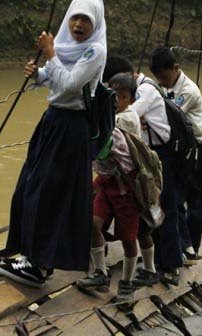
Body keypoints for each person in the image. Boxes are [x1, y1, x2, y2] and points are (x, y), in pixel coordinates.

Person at [0, 0, 107, 287]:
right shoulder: (65, 46)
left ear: (95, 24)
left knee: (49, 193)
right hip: (52, 121)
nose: (79, 25)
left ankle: (39, 265)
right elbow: (54, 79)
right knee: (29, 187)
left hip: (72, 129)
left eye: (86, 20)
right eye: (75, 18)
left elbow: (71, 85)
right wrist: (38, 74)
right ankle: (33, 256)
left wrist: (49, 54)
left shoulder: (95, 51)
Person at [103, 55, 184, 286]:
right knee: (148, 210)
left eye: (118, 93)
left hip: (159, 156)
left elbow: (123, 116)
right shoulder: (140, 87)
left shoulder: (145, 91)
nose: (115, 98)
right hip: (145, 154)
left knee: (161, 208)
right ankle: (154, 263)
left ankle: (170, 266)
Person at [75, 73, 143, 302]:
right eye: (113, 95)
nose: (116, 101)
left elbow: (100, 148)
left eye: (122, 97)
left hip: (126, 188)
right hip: (106, 181)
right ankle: (101, 274)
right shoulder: (108, 117)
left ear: (132, 100)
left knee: (128, 238)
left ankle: (127, 283)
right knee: (93, 223)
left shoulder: (123, 121)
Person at [148, 47, 202, 264]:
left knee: (196, 205)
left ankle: (191, 249)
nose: (162, 81)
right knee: (175, 200)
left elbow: (168, 117)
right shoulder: (165, 87)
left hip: (201, 151)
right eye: (158, 78)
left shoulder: (188, 91)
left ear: (176, 69)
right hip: (184, 151)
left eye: (165, 77)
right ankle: (184, 247)